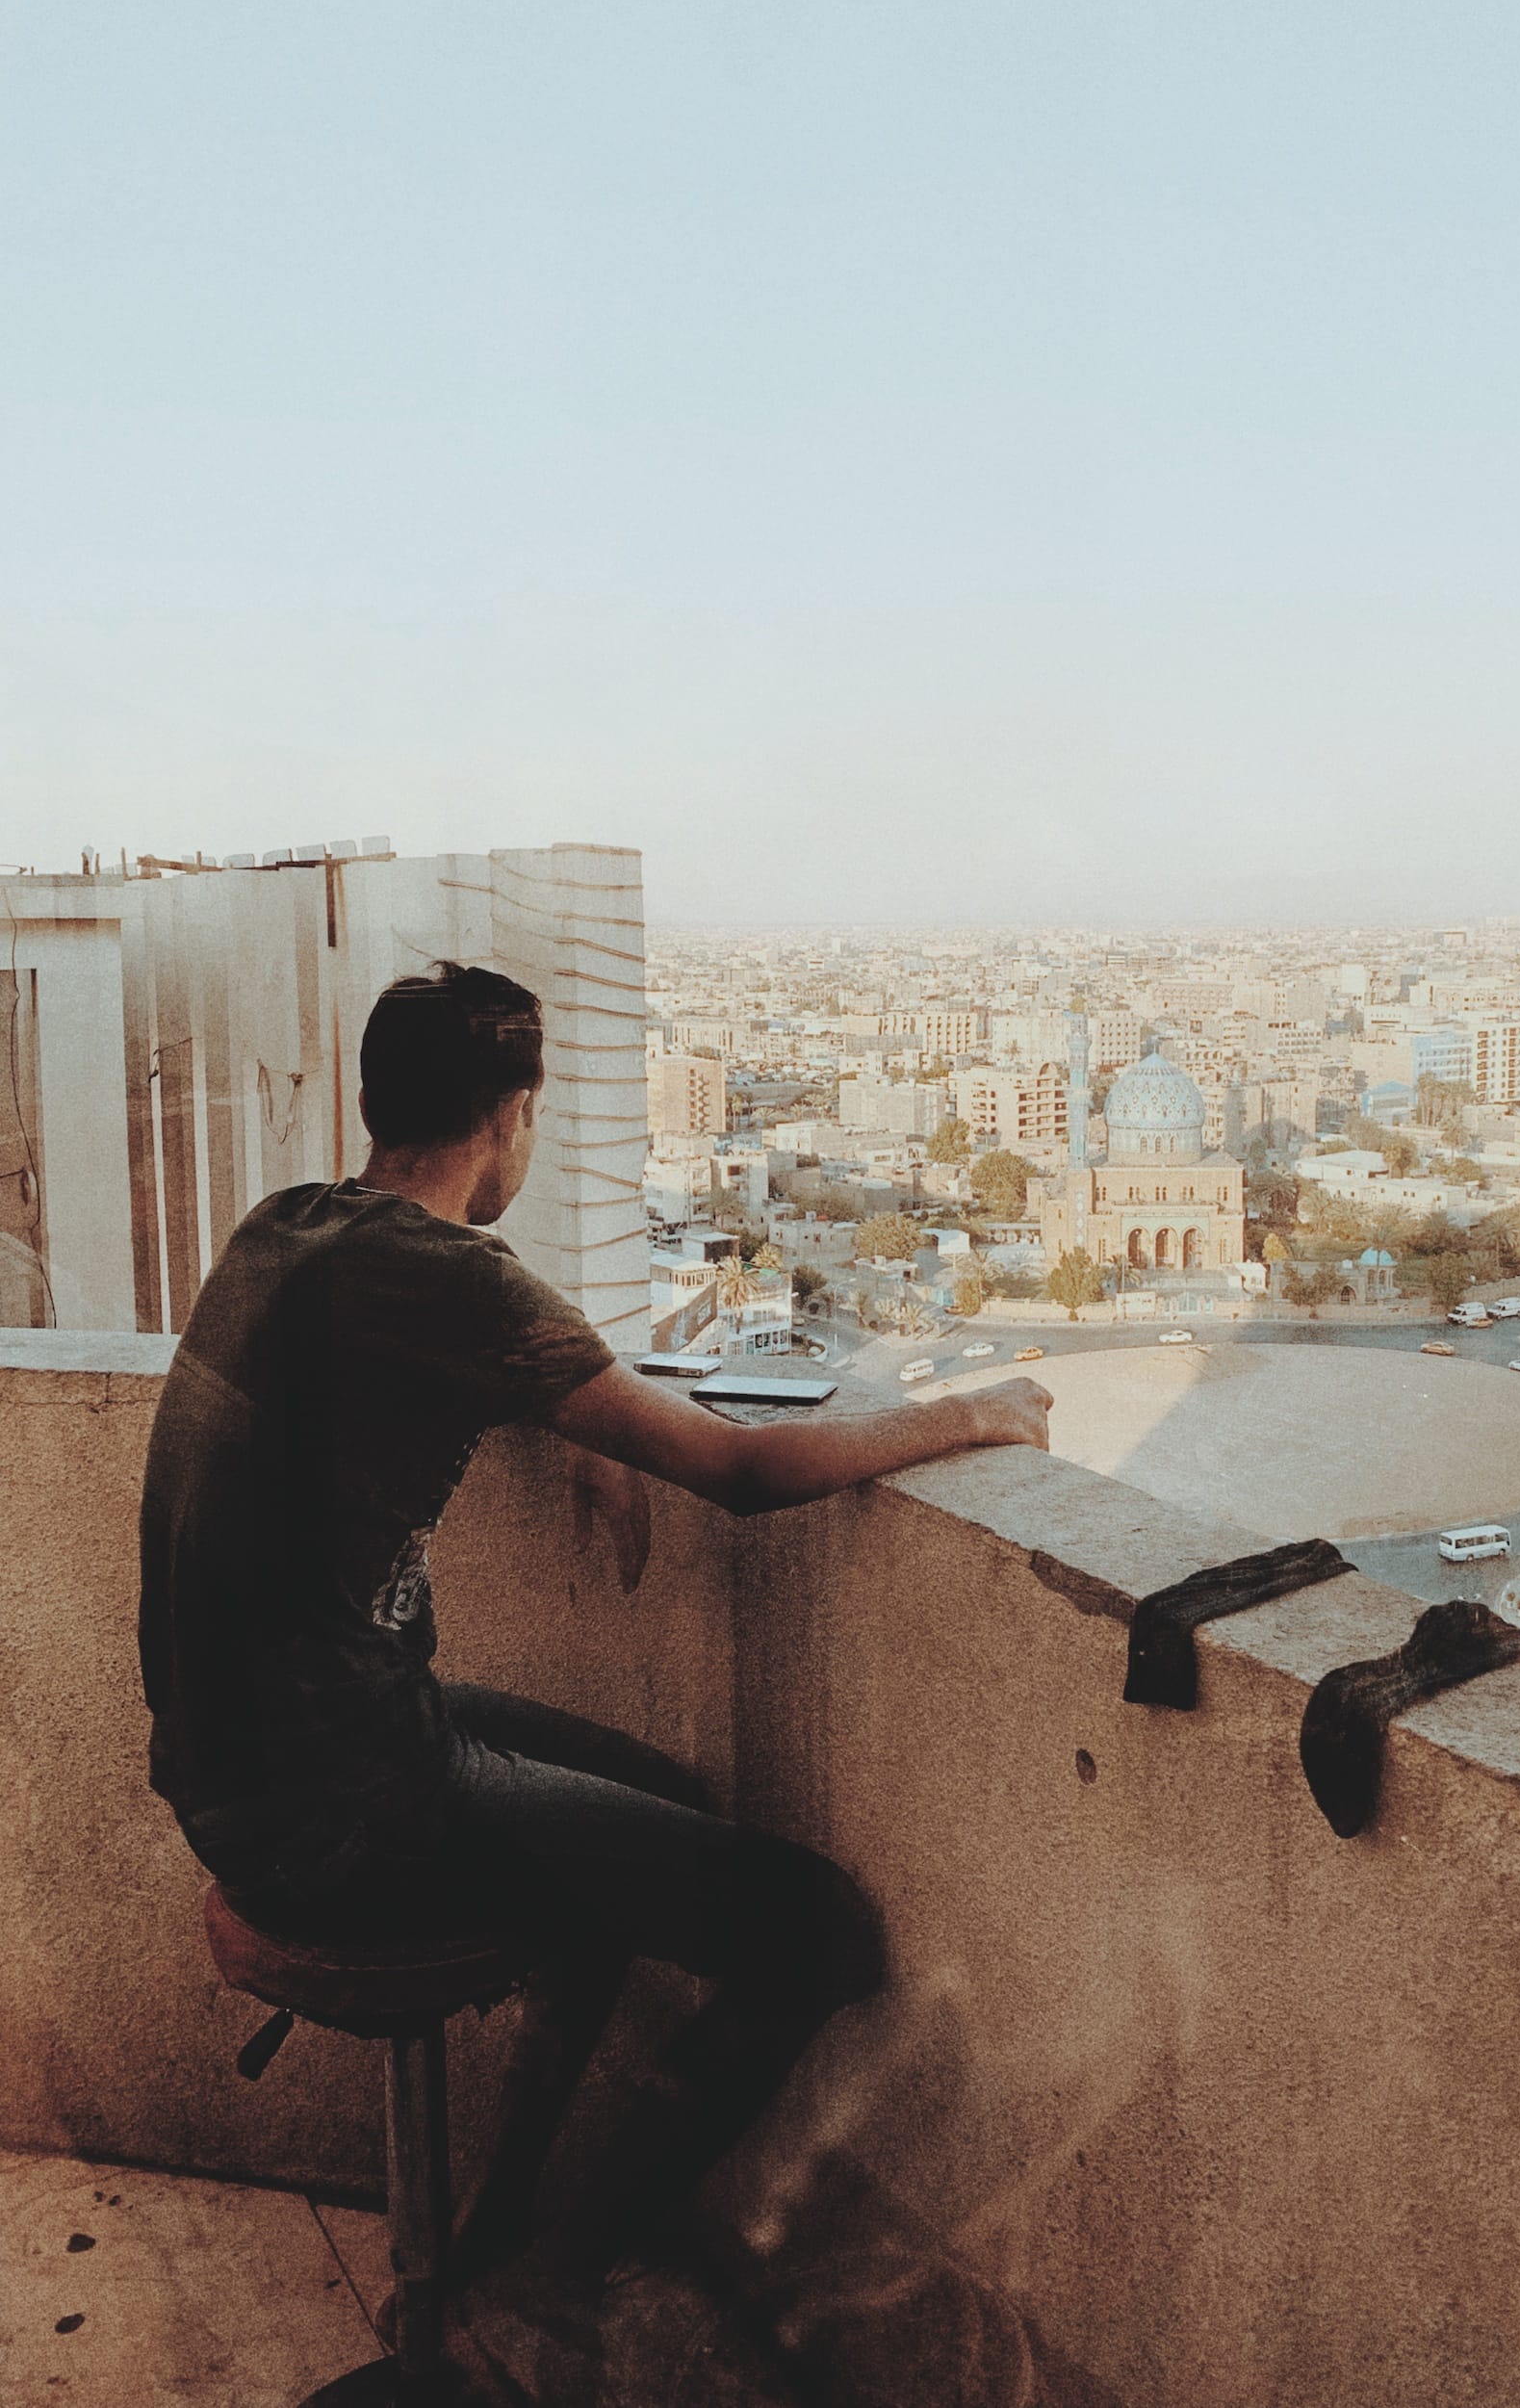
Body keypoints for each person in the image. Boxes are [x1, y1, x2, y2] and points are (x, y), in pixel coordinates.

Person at [139, 959, 1050, 2291]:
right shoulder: (463, 1288)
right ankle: (565, 2265)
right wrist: (972, 1411)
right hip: (348, 1808)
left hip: (235, 1777)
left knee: (657, 1794)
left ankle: (501, 2224)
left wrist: (564, 1401)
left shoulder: (285, 1226)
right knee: (819, 1932)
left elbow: (392, 1359)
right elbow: (736, 1475)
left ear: (373, 1099)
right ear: (512, 1117)